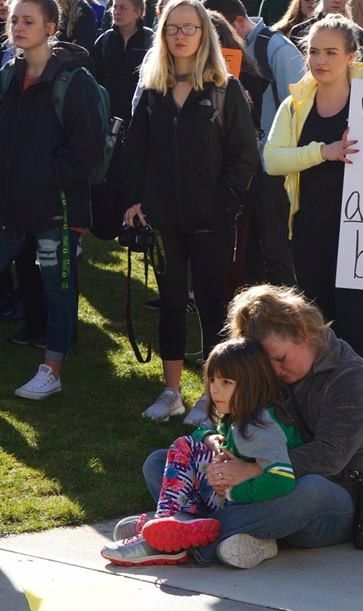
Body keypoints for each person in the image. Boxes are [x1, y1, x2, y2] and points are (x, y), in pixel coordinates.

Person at [108, 284, 363, 568]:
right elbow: (231, 424)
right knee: (159, 462)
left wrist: (253, 468)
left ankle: (172, 535)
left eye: (279, 359)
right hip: (257, 487)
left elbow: (330, 457)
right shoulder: (271, 369)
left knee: (311, 489)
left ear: (303, 333)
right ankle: (236, 534)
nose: (275, 371)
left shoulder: (351, 377)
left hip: (335, 497)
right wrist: (219, 450)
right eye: (267, 363)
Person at [122, 0, 260, 421]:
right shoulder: (151, 90)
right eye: (172, 28)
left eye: (189, 28)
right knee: (169, 302)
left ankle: (211, 395)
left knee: (212, 306)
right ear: (162, 35)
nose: (180, 35)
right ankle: (171, 392)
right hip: (164, 219)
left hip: (212, 221)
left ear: (204, 34)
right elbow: (136, 152)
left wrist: (225, 202)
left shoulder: (225, 89)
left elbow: (244, 156)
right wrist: (134, 200)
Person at [262, 15, 363, 388]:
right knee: (320, 321)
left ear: (351, 56)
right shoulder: (296, 105)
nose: (320, 60)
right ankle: (327, 395)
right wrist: (323, 152)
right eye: (314, 51)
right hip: (310, 228)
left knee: (358, 325)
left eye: (331, 52)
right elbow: (272, 160)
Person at [101, 339, 303, 566]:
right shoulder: (236, 415)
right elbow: (201, 433)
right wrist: (210, 439)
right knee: (178, 449)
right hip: (231, 492)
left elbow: (282, 479)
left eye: (226, 382)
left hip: (251, 504)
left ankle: (167, 533)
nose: (215, 389)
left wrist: (232, 493)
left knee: (183, 447)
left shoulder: (261, 425)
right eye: (212, 380)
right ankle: (175, 523)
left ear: (252, 384)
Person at [0, 0, 104, 400]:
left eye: (28, 20)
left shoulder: (73, 80)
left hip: (55, 208)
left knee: (57, 287)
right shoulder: (9, 73)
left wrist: (43, 177)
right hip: (12, 206)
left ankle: (52, 369)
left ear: (51, 27)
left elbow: (86, 148)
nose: (18, 27)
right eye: (14, 20)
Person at [204, 0, 301, 290]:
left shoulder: (277, 48)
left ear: (234, 22)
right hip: (242, 165)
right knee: (247, 251)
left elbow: (299, 104)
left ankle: (290, 322)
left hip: (271, 169)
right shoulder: (233, 51)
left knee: (276, 250)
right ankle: (257, 320)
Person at [91, 0, 153, 239]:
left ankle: (131, 221)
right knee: (105, 171)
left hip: (138, 121)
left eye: (123, 7)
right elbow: (93, 78)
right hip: (107, 121)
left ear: (138, 12)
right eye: (115, 6)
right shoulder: (105, 40)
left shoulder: (150, 42)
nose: (116, 11)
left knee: (131, 172)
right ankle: (103, 223)